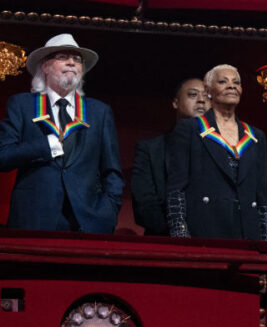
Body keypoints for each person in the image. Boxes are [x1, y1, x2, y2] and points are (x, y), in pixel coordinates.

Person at [0, 33, 123, 233]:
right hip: (33, 219)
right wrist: (44, 146)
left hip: (87, 221)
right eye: (63, 57)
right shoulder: (21, 105)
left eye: (77, 59)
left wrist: (108, 210)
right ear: (45, 66)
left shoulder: (99, 111)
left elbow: (112, 171)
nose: (71, 63)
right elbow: (3, 156)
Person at [166, 65, 267, 240]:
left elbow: (261, 196)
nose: (232, 86)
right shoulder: (190, 129)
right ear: (208, 91)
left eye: (236, 82)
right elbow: (176, 190)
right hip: (205, 230)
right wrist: (180, 234)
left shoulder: (255, 136)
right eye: (223, 81)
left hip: (247, 232)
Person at [131, 78, 209, 235]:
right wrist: (178, 232)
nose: (201, 100)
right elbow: (144, 204)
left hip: (215, 241)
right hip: (165, 239)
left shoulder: (225, 147)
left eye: (208, 96)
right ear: (175, 103)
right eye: (193, 95)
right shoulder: (150, 149)